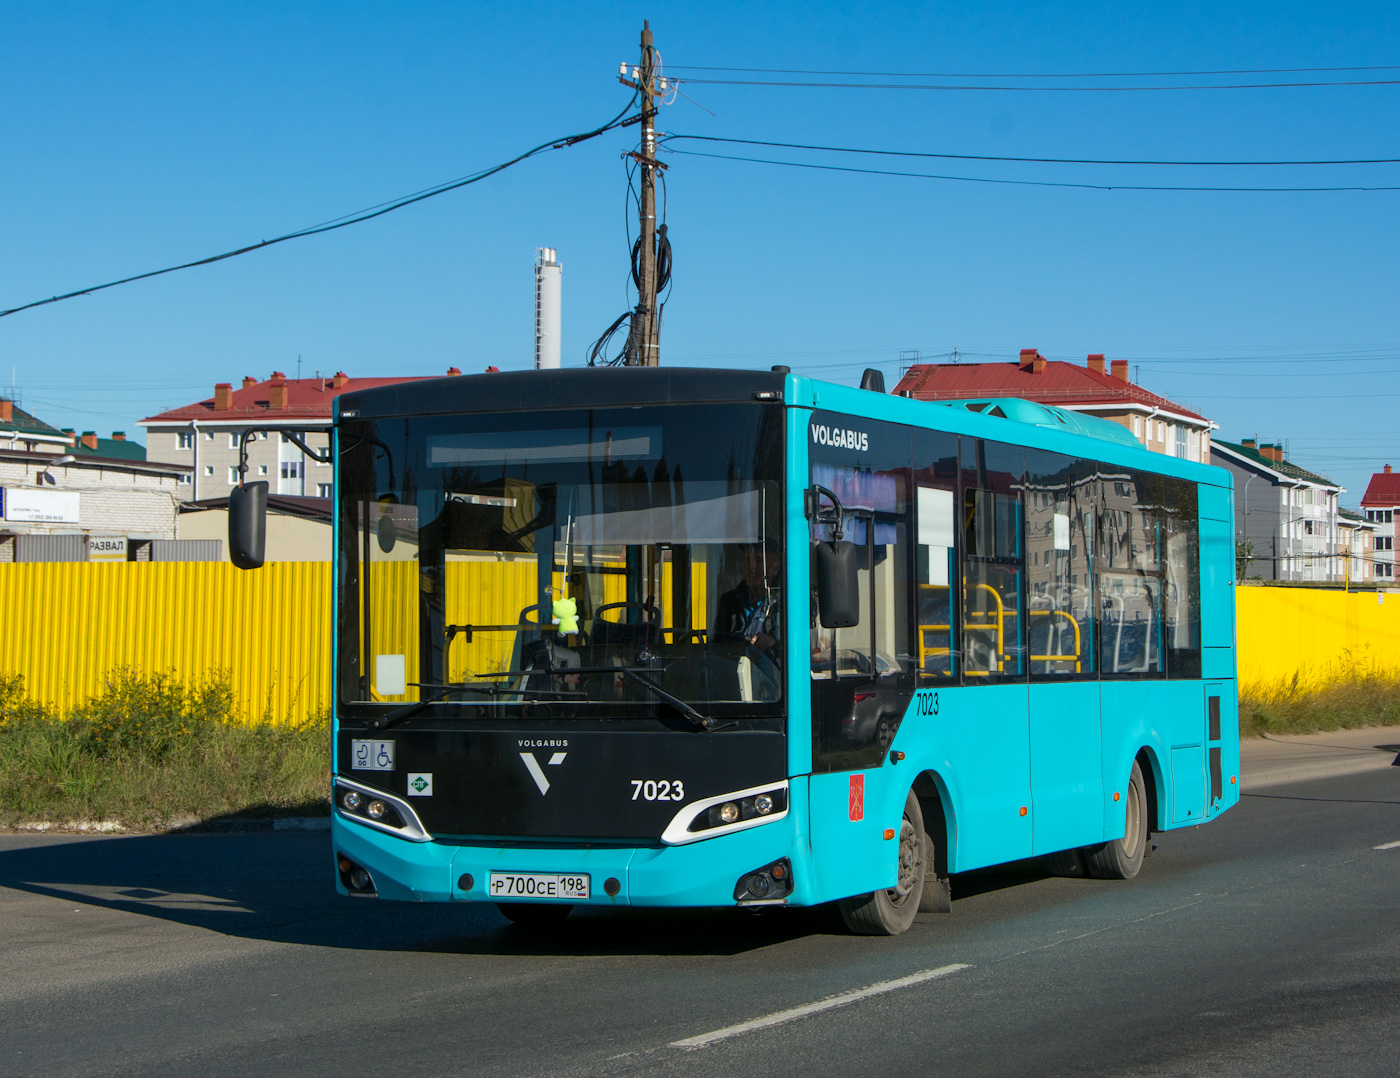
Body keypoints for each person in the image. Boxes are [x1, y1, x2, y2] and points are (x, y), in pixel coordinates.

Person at [716, 542, 780, 657]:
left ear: (775, 568)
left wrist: (772, 642)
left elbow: (799, 649)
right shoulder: (729, 602)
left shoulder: (785, 603)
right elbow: (717, 645)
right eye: (748, 560)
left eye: (758, 560)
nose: (751, 566)